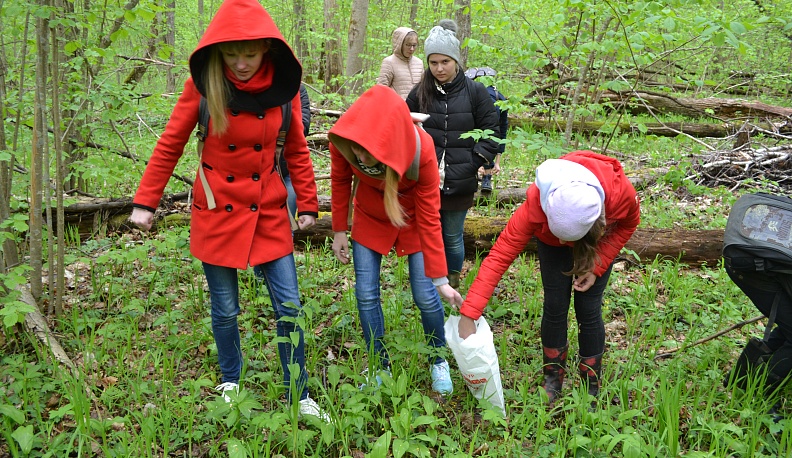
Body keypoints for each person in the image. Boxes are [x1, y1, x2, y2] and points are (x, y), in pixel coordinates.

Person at [129, 0, 328, 421]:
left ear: (266, 51)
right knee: (224, 307)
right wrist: (146, 201)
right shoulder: (203, 86)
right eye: (232, 54)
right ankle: (231, 380)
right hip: (216, 209)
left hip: (270, 209)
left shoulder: (284, 89)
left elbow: (295, 148)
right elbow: (170, 143)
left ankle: (300, 391)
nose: (241, 63)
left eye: (250, 54)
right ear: (218, 51)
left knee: (289, 307)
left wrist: (307, 201)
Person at [457, 151, 640, 406]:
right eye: (561, 236)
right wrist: (469, 314)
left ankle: (591, 382)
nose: (565, 243)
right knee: (555, 305)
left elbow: (629, 224)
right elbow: (499, 256)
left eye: (568, 239)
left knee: (588, 308)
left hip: (596, 242)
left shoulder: (620, 195)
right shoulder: (537, 203)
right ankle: (553, 377)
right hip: (548, 242)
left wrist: (597, 265)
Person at [329, 85, 464, 395]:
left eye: (370, 150)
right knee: (365, 294)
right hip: (370, 217)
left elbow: (431, 217)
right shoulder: (345, 141)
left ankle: (437, 358)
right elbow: (340, 180)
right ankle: (379, 364)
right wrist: (339, 230)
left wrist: (441, 278)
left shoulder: (422, 149)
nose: (361, 156)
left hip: (414, 220)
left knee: (426, 295)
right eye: (359, 148)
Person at [405, 19, 501, 289]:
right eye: (433, 63)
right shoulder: (420, 91)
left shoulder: (476, 91)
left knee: (452, 235)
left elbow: (491, 130)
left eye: (444, 62)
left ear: (456, 61)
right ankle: (429, 282)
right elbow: (403, 123)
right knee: (426, 232)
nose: (439, 69)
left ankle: (453, 279)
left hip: (460, 179)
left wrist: (473, 162)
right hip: (425, 177)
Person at [724, 265, 791, 420]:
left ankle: (741, 376)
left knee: (788, 325)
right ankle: (761, 397)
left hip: (762, 261)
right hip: (754, 265)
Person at [464, 67, 509, 193]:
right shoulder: (468, 99)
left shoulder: (499, 100)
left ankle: (486, 177)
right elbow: (502, 131)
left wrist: (494, 161)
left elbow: (498, 132)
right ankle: (483, 176)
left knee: (488, 137)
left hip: (483, 139)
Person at [283, 83, 312, 216]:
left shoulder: (297, 89)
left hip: (286, 168)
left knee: (287, 223)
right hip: (257, 169)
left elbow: (303, 126)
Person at [376, 27, 423, 100]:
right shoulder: (389, 62)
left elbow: (424, 88)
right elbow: (381, 90)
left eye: (414, 45)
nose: (411, 49)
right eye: (408, 45)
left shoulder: (419, 63)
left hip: (417, 109)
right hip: (396, 108)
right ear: (400, 44)